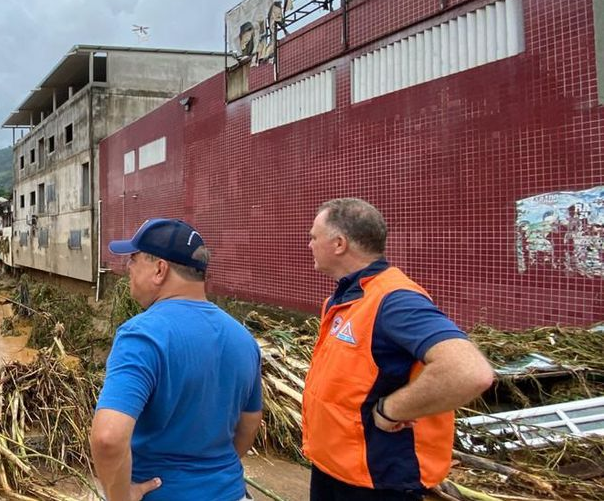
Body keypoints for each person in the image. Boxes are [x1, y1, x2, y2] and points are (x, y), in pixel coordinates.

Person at [303, 198, 496, 500]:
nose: (310, 244)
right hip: (336, 467)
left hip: (376, 478)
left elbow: (469, 371)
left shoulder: (394, 300)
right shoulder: (346, 299)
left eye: (314, 237)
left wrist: (391, 410)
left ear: (339, 243)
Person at [91, 218, 263, 501]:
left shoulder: (142, 335)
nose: (128, 268)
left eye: (133, 259)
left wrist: (121, 496)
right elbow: (250, 422)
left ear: (160, 269)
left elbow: (107, 437)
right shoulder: (243, 338)